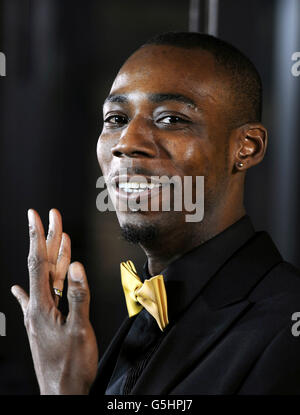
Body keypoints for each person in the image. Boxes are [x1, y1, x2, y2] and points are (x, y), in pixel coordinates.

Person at [11, 32, 300, 395]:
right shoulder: (142, 317)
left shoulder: (287, 327)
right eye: (116, 118)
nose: (127, 143)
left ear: (247, 146)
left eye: (170, 119)